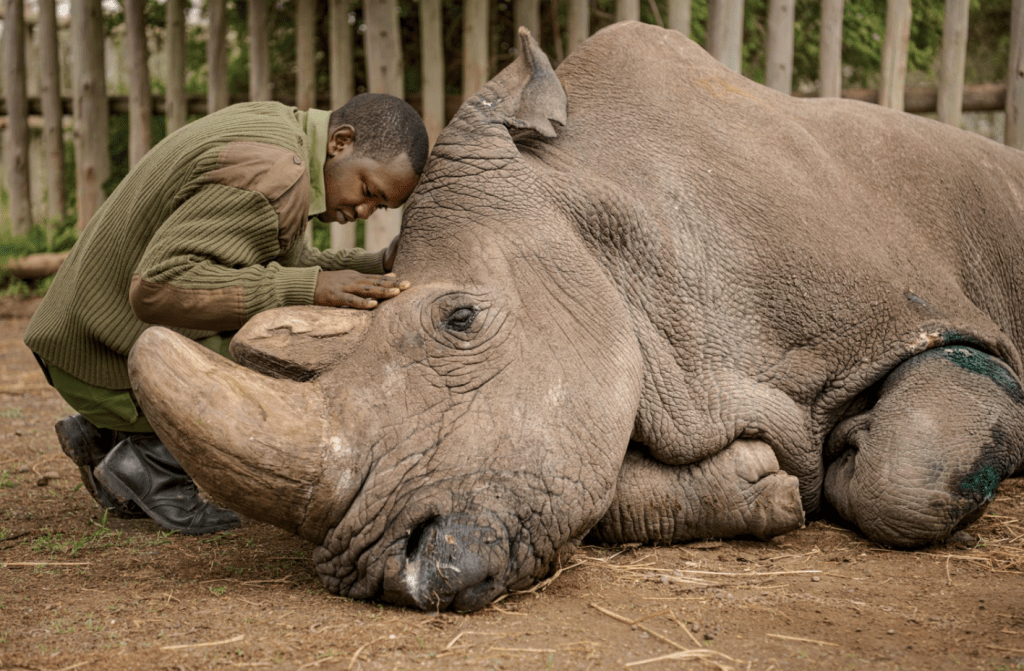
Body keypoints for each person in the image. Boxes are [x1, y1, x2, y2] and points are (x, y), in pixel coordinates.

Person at [24, 93, 430, 534]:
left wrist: (376, 265)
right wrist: (309, 289)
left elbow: (274, 262)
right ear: (340, 142)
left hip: (79, 339)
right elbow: (157, 288)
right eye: (368, 191)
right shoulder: (276, 174)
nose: (364, 211)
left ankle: (106, 434)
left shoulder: (281, 134)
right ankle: (150, 462)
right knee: (295, 356)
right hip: (97, 360)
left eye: (380, 207)